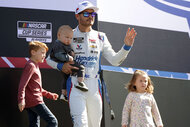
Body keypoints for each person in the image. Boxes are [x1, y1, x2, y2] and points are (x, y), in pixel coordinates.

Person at [46, 1, 137, 127]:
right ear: (77, 16)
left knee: (95, 125)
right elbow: (48, 59)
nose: (90, 16)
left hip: (95, 87)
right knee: (81, 124)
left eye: (92, 13)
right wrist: (61, 66)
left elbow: (115, 61)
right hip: (75, 84)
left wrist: (126, 46)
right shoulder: (69, 34)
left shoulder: (101, 37)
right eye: (86, 13)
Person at [18, 41, 58, 127]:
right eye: (42, 53)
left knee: (34, 124)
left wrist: (49, 95)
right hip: (35, 101)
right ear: (33, 52)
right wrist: (21, 100)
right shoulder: (31, 65)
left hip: (31, 102)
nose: (44, 55)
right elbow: (22, 84)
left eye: (45, 53)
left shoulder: (34, 65)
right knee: (53, 122)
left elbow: (35, 87)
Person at [50, 25, 88, 102]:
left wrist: (71, 52)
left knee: (65, 78)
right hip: (65, 64)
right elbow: (58, 55)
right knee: (81, 68)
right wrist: (68, 58)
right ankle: (80, 83)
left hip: (64, 65)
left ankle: (63, 94)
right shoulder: (58, 44)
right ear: (59, 35)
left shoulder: (64, 44)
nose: (69, 40)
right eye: (67, 37)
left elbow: (67, 49)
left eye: (71, 38)